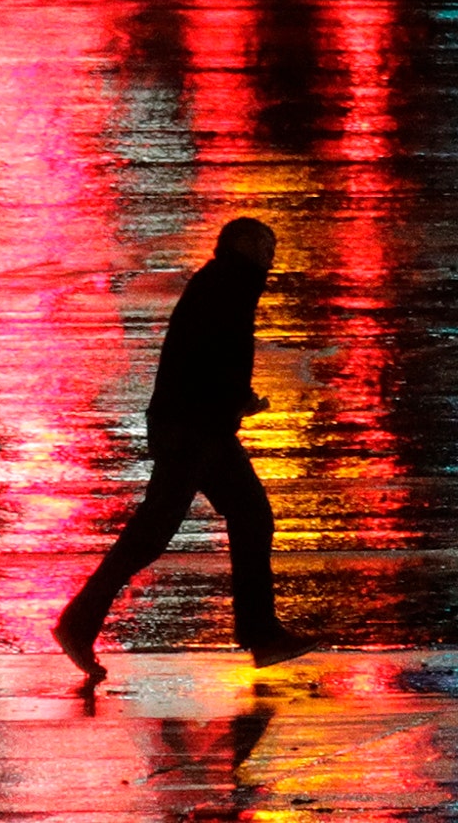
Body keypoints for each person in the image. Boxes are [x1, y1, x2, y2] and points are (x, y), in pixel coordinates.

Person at [52, 217, 314, 681]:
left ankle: (262, 634)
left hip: (202, 427)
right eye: (266, 244)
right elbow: (208, 359)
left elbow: (210, 359)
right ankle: (78, 623)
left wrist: (236, 401)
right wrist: (234, 400)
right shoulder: (227, 285)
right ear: (242, 244)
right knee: (157, 534)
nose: (272, 254)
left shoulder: (226, 283)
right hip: (192, 431)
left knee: (245, 516)